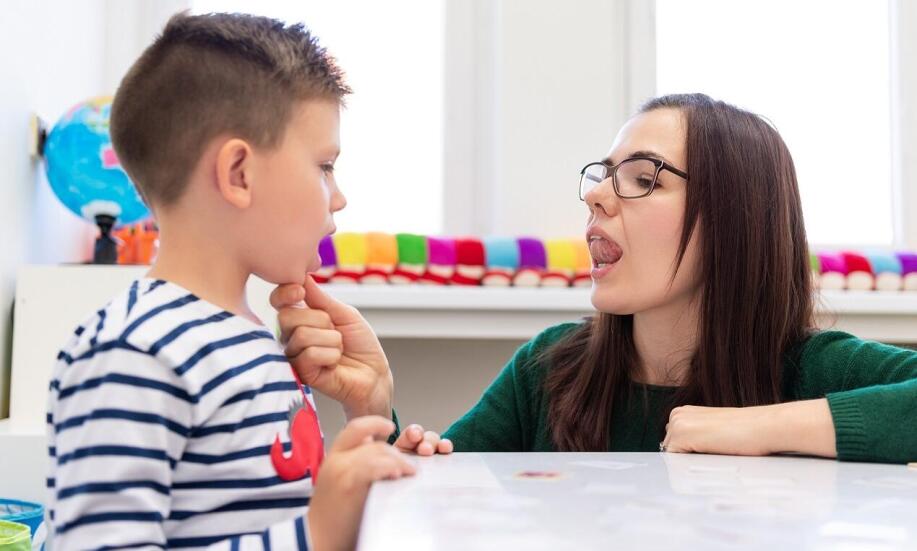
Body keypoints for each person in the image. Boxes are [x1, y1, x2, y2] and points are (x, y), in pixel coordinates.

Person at [275, 93, 917, 464]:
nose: (597, 199)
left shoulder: (809, 369)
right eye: (603, 175)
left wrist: (752, 429)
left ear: (734, 220)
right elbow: (435, 504)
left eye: (643, 179)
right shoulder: (548, 368)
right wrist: (373, 405)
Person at [47, 12, 448, 550]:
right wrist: (318, 533)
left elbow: (261, 518)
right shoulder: (134, 353)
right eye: (324, 165)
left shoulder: (253, 338)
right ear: (238, 174)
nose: (339, 196)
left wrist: (370, 455)